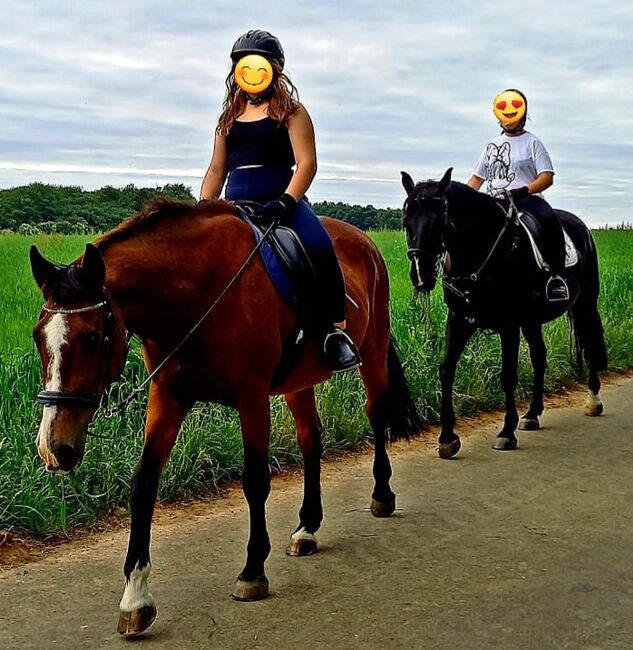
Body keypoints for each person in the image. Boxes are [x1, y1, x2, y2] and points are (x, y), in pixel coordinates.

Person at [200, 29, 360, 372]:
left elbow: (307, 163)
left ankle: (335, 331)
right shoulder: (228, 118)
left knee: (318, 244)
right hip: (236, 206)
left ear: (274, 69)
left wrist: (287, 201)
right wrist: (204, 208)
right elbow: (216, 169)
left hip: (281, 203)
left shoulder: (292, 111)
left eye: (259, 65)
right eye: (245, 65)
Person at [467, 88, 569, 302]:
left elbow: (547, 176)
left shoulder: (533, 143)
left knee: (548, 219)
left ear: (523, 114)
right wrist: (465, 198)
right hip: (494, 202)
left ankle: (555, 277)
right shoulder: (491, 146)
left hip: (526, 200)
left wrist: (525, 190)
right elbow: (477, 178)